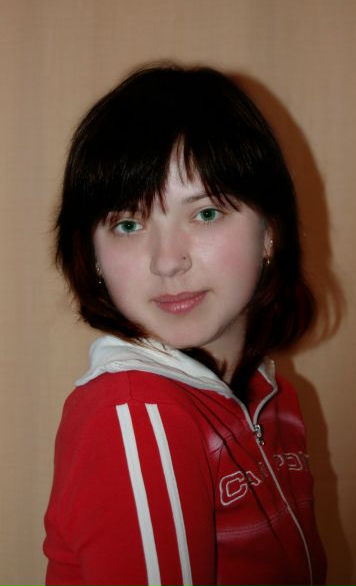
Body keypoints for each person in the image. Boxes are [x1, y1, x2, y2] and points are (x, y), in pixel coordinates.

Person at [43, 64, 327, 586]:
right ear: (93, 256)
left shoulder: (272, 394)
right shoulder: (135, 412)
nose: (167, 261)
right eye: (129, 223)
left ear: (270, 230)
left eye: (206, 213)